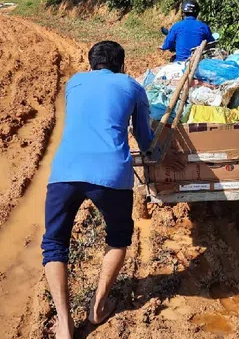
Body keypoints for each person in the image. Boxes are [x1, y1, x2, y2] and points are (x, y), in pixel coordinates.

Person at [41, 41, 153, 339]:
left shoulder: (74, 83)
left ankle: (64, 325)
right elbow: (144, 138)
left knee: (54, 244)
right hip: (112, 175)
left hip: (64, 171)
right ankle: (98, 308)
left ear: (91, 64)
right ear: (122, 64)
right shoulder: (132, 86)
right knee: (118, 239)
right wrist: (156, 151)